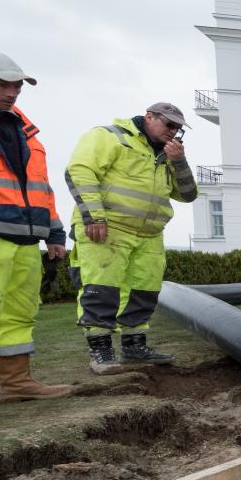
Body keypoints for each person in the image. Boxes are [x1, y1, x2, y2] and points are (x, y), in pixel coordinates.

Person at [0, 52, 75, 422]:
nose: (12, 92)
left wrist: (54, 232)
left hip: (25, 238)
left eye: (16, 86)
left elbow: (41, 188)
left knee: (18, 313)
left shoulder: (25, 128)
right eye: (2, 84)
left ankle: (14, 383)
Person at [66, 101, 198, 373]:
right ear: (149, 117)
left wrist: (179, 161)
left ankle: (133, 347)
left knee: (143, 290)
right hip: (108, 227)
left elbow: (187, 195)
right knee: (101, 288)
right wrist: (94, 216)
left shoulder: (165, 155)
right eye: (169, 124)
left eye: (178, 128)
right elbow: (79, 170)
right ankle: (101, 351)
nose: (173, 132)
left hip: (149, 234)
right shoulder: (110, 137)